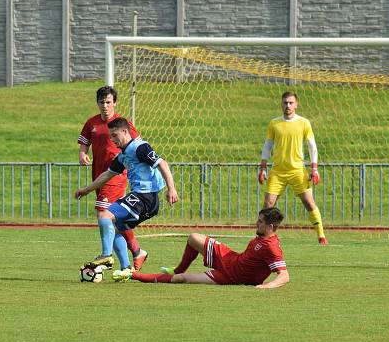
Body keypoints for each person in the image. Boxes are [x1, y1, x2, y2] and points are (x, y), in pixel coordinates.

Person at [74, 117, 178, 281]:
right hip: (144, 199)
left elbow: (162, 163)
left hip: (145, 197)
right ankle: (126, 268)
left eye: (115, 135)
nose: (113, 139)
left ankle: (107, 256)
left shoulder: (139, 147)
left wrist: (171, 189)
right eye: (111, 136)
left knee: (104, 215)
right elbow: (108, 174)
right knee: (114, 228)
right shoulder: (123, 155)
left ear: (125, 132)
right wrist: (86, 190)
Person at [116, 207, 290, 289]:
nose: (256, 223)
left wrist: (267, 286)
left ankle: (133, 275)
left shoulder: (272, 247)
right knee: (193, 238)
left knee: (181, 280)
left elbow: (284, 276)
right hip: (230, 258)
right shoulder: (262, 237)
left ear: (271, 227)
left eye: (260, 222)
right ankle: (176, 269)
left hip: (229, 277)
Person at [78, 86, 148, 271]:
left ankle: (106, 256)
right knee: (113, 220)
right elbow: (84, 142)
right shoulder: (91, 123)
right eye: (102, 102)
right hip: (100, 177)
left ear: (114, 103)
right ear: (98, 103)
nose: (105, 106)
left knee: (103, 214)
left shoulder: (122, 124)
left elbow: (138, 145)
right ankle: (128, 263)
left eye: (108, 102)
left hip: (116, 175)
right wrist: (82, 154)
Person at [258, 91, 327, 245]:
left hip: (297, 171)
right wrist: (262, 167)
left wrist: (314, 168)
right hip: (278, 171)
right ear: (281, 104)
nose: (287, 105)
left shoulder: (304, 123)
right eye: (285, 102)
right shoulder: (274, 123)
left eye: (290, 103)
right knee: (268, 205)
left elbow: (312, 146)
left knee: (309, 202)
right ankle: (263, 237)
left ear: (296, 104)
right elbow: (267, 145)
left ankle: (321, 236)